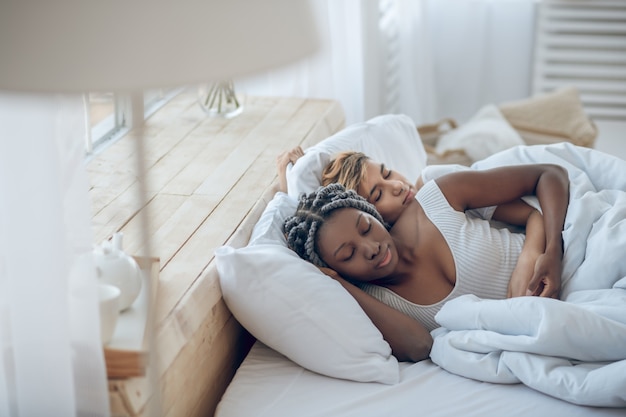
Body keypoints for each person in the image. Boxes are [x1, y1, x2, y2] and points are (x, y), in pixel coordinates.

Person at [282, 162, 569, 362]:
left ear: (371, 212)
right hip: (551, 328)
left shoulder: (437, 197)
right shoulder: (377, 302)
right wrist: (338, 282)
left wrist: (551, 252)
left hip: (573, 268)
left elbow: (548, 174)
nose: (370, 248)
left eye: (366, 226)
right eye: (348, 255)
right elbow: (419, 346)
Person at [277, 148, 551, 299]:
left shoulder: (433, 185)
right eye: (378, 194)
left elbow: (533, 212)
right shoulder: (378, 269)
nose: (396, 185)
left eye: (386, 173)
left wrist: (530, 258)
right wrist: (288, 184)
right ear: (367, 212)